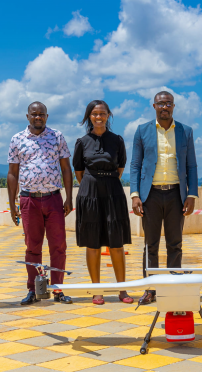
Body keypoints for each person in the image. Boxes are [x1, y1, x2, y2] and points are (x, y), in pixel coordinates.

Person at [130, 91, 198, 305]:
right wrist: (135, 195)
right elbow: (135, 165)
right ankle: (150, 289)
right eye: (161, 103)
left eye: (168, 103)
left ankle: (172, 287)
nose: (164, 107)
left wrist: (192, 194)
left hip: (176, 195)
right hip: (150, 195)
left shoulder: (185, 131)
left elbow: (192, 165)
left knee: (175, 244)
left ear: (174, 106)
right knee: (151, 245)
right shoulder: (142, 131)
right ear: (154, 106)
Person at [8, 102, 73, 306]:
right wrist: (13, 204)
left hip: (53, 198)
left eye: (41, 114)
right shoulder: (17, 139)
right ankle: (33, 289)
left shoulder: (57, 137)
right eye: (34, 114)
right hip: (29, 200)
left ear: (47, 116)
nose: (38, 117)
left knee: (58, 246)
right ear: (27, 116)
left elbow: (66, 168)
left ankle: (57, 289)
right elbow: (12, 173)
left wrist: (69, 197)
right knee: (32, 247)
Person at [74, 100, 133, 305]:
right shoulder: (82, 142)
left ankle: (122, 290)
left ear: (108, 115)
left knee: (116, 243)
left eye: (102, 114)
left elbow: (120, 168)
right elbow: (79, 172)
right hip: (89, 192)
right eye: (94, 114)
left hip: (113, 192)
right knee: (93, 244)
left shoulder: (117, 140)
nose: (98, 117)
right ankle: (97, 290)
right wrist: (93, 185)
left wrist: (106, 182)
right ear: (89, 116)